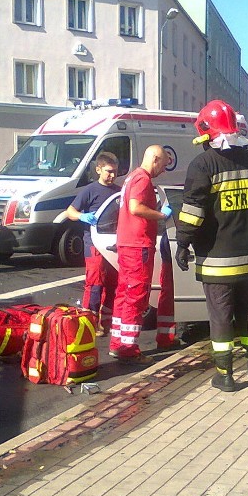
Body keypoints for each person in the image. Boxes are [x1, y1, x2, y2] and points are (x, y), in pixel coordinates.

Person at [175, 100, 248, 391]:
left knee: (221, 317)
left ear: (206, 132)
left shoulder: (203, 164)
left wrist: (183, 244)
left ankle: (225, 375)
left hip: (217, 261)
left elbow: (193, 211)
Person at [108, 145, 172, 365]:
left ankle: (118, 342)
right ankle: (128, 348)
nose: (163, 170)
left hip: (127, 244)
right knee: (136, 297)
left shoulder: (131, 177)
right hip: (139, 246)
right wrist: (161, 215)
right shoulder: (143, 179)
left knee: (123, 294)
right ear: (154, 159)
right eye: (163, 165)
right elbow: (136, 208)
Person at [65, 152, 121, 336]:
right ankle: (89, 323)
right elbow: (70, 211)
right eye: (108, 171)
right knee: (95, 283)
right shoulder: (90, 190)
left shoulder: (118, 191)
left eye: (114, 172)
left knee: (113, 283)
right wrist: (82, 216)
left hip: (113, 243)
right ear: (98, 169)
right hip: (94, 243)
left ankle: (106, 321)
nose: (112, 175)